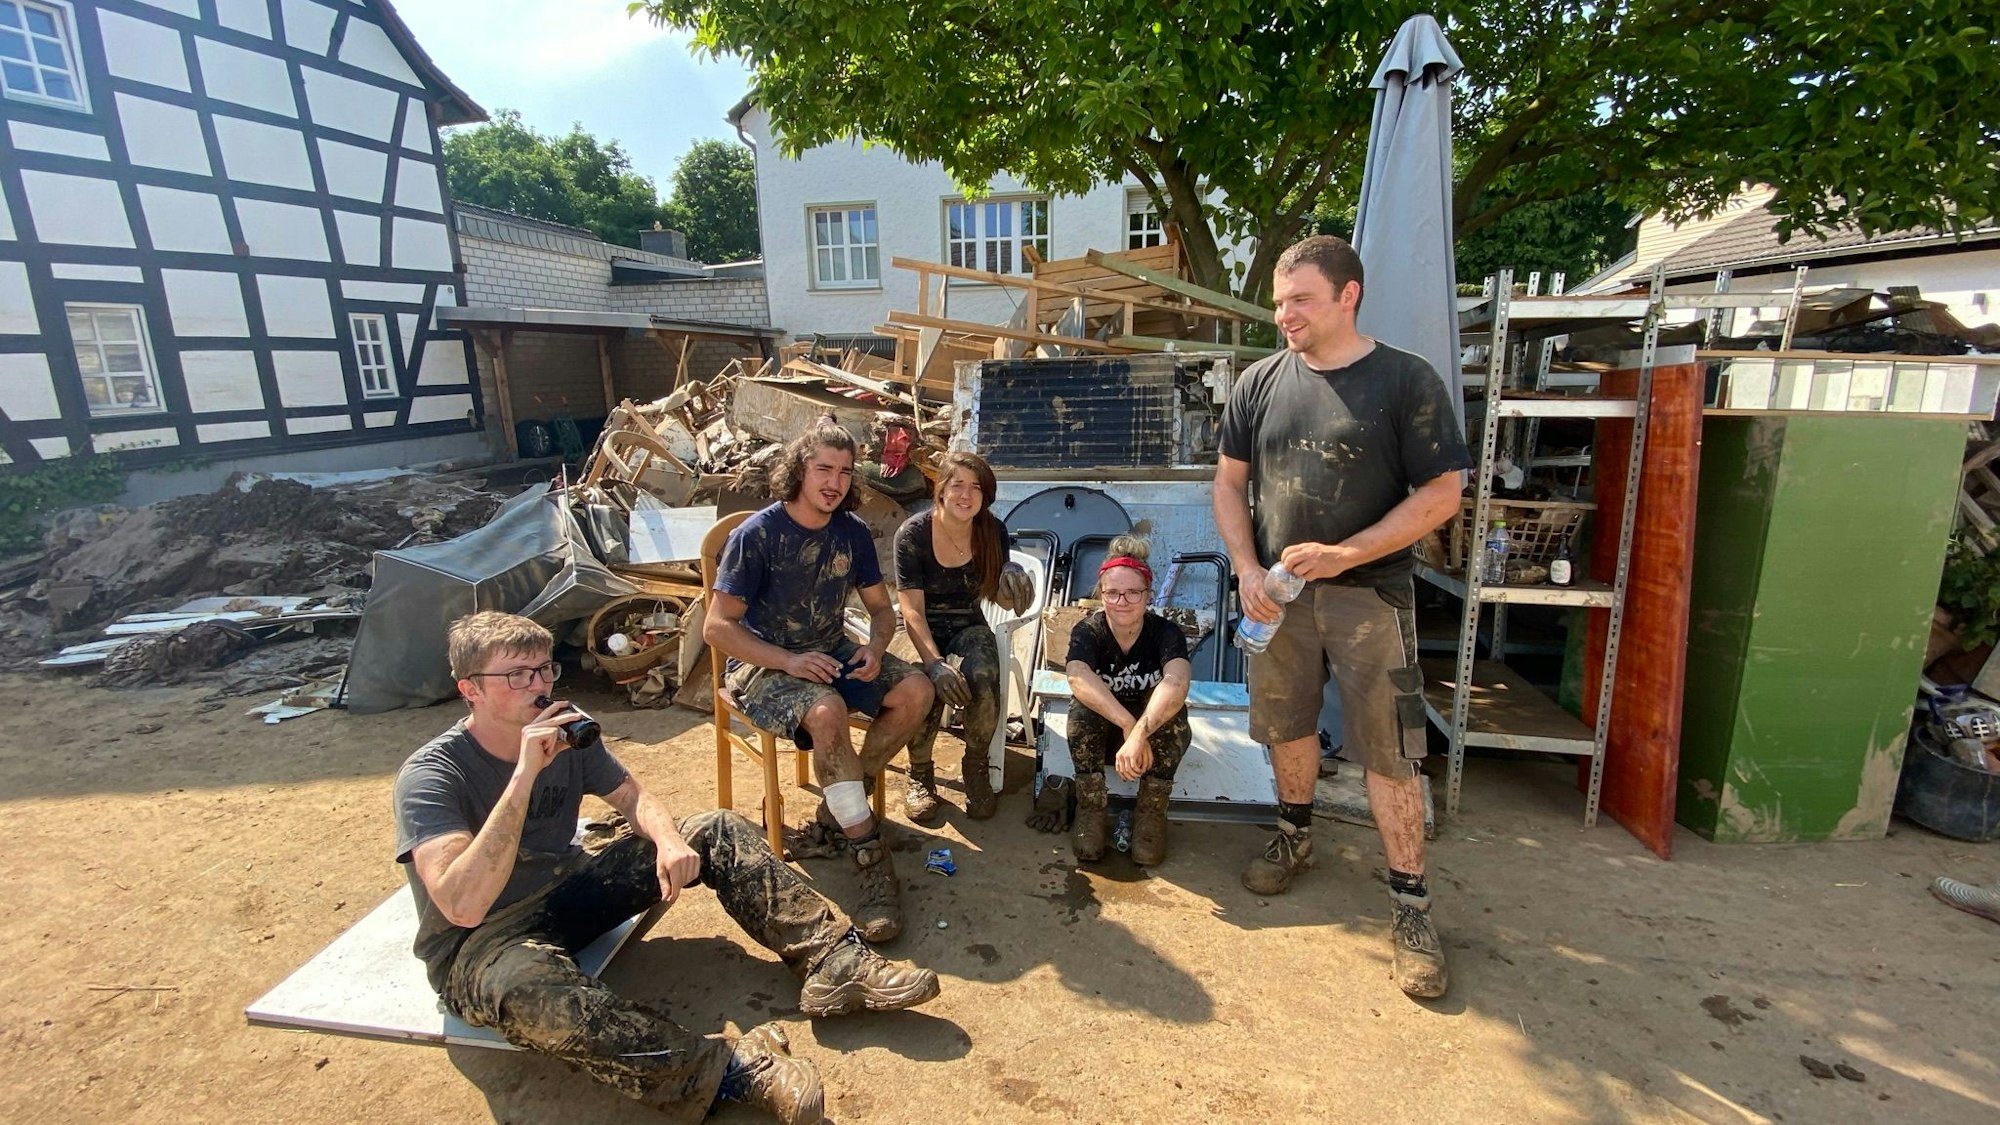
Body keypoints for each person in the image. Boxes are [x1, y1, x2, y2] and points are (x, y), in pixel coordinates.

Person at [394, 612, 941, 1125]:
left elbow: (631, 795)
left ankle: (834, 960)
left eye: (543, 669)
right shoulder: (433, 775)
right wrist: (523, 776)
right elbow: (461, 903)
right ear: (471, 689)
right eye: (516, 674)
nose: (539, 685)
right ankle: (724, 1070)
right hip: (484, 940)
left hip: (567, 891)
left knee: (715, 827)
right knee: (534, 996)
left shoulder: (566, 733)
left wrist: (667, 840)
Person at [1213, 234, 1472, 999]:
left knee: (1391, 750)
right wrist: (1247, 569)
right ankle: (1295, 835)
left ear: (1347, 295)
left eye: (1301, 300)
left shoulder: (1405, 379)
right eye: (1279, 302)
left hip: (1372, 596)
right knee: (1286, 725)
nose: (1285, 315)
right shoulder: (1258, 383)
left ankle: (1412, 905)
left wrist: (1347, 553)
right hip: (1278, 598)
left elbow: (1441, 495)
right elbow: (1228, 486)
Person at [704, 420, 935, 942]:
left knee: (917, 690)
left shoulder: (851, 530)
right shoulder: (757, 536)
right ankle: (869, 858)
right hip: (764, 665)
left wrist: (875, 649)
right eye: (822, 469)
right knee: (827, 710)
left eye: (844, 472)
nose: (834, 482)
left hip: (832, 652)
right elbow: (717, 628)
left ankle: (837, 809)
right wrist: (788, 661)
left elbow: (881, 610)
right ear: (799, 472)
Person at [893, 452, 1033, 822]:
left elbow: (1000, 598)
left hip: (967, 622)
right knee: (919, 683)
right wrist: (934, 663)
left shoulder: (991, 530)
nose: (967, 495)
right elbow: (911, 611)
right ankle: (920, 773)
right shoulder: (913, 534)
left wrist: (1013, 579)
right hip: (922, 624)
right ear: (941, 489)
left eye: (977, 488)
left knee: (985, 674)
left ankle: (975, 767)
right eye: (958, 485)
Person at [1062, 536, 1193, 866]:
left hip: (1148, 742)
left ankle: (1150, 813)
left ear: (1148, 595)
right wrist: (1127, 724)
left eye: (1133, 592)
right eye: (1112, 593)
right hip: (1109, 736)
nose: (1122, 601)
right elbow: (1078, 675)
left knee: (1175, 720)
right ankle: (1091, 808)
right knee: (1081, 714)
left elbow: (1177, 682)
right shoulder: (1088, 631)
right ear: (1100, 594)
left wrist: (1139, 733)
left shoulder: (1166, 633)